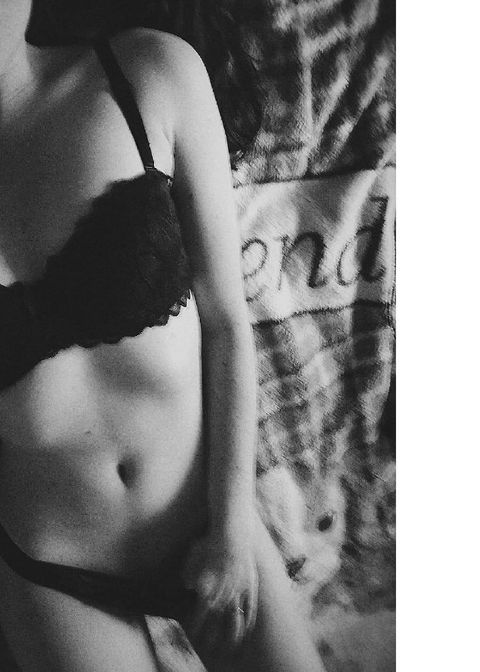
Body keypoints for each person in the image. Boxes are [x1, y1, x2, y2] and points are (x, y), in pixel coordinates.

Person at [0, 1, 326, 670]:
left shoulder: (149, 73)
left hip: (207, 517)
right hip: (50, 566)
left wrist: (232, 529)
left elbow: (227, 323)